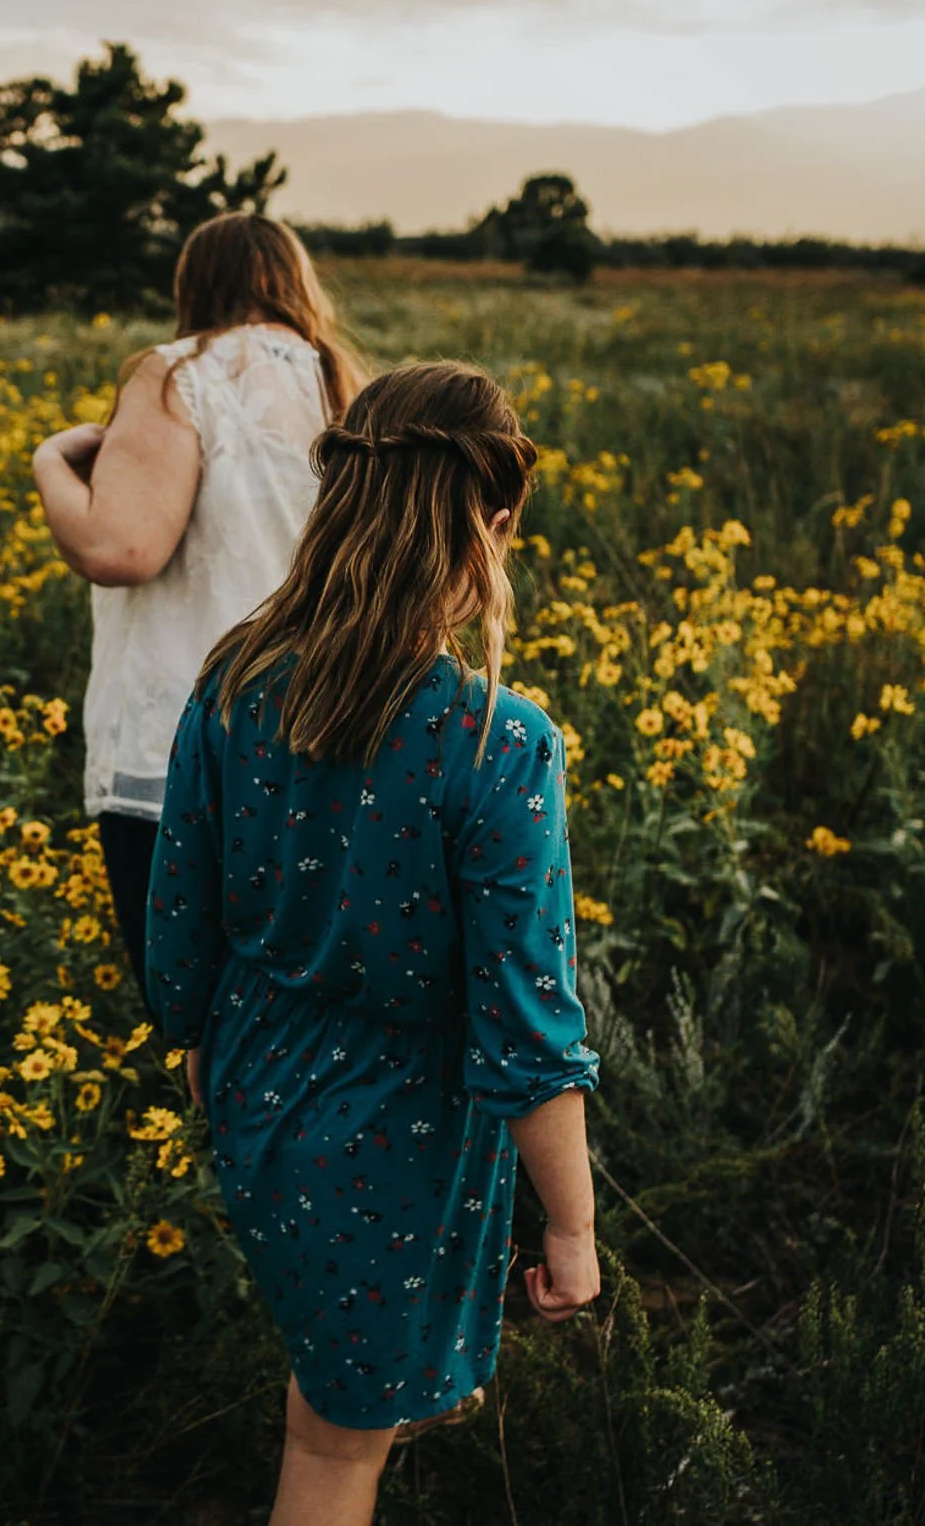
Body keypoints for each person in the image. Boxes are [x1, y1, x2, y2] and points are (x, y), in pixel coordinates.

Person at [143, 361, 603, 1526]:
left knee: (343, 1390)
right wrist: (573, 1229)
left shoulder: (233, 684)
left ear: (340, 500)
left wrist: (201, 1043)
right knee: (339, 1446)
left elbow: (179, 917)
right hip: (400, 1128)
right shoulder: (499, 743)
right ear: (493, 524)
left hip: (258, 1089)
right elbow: (526, 1029)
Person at [30, 212, 364, 992]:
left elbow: (120, 548)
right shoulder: (347, 384)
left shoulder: (179, 374)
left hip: (185, 752)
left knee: (193, 1018)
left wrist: (51, 462)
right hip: (328, 742)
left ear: (194, 288)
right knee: (302, 1016)